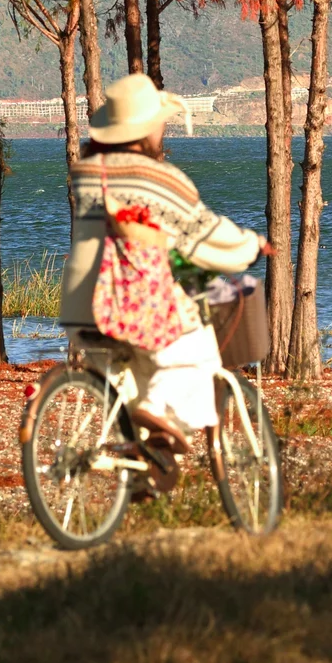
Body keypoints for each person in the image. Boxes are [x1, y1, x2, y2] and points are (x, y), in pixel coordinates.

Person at [59, 72, 266, 455]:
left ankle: (143, 468)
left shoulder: (86, 174)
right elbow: (202, 235)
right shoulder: (160, 178)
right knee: (195, 356)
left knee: (134, 383)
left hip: (80, 308)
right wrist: (250, 245)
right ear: (147, 129)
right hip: (131, 305)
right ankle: (155, 414)